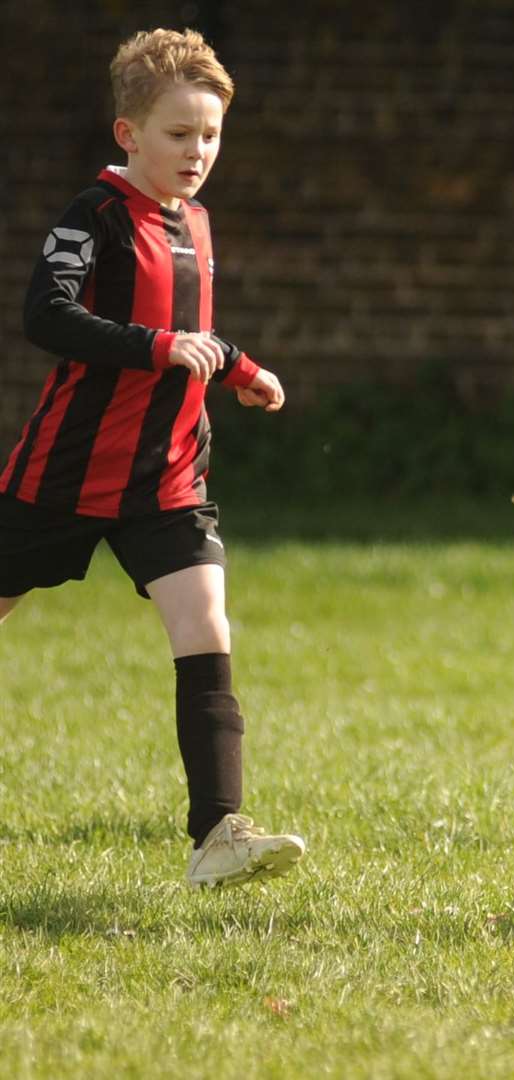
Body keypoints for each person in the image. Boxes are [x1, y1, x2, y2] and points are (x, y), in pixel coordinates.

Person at [0, 29, 305, 889]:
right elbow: (45, 317)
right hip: (65, 474)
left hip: (169, 477)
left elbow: (187, 333)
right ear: (128, 134)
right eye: (179, 135)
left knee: (205, 626)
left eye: (210, 135)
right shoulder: (90, 217)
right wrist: (156, 346)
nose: (198, 152)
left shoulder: (196, 220)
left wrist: (240, 369)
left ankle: (219, 834)